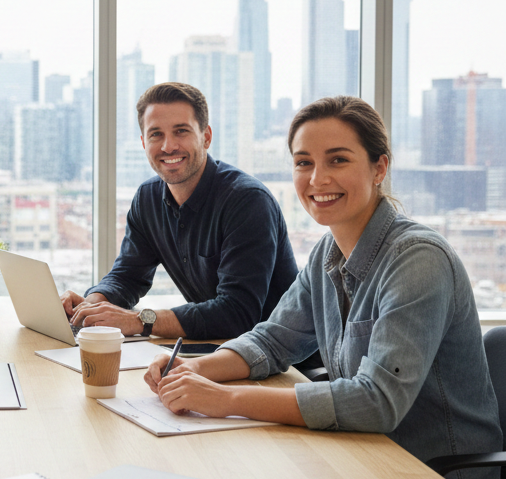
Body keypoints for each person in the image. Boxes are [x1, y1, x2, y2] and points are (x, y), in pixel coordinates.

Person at [147, 95, 502, 470]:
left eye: (338, 160)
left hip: (431, 467)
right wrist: (193, 369)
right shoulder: (328, 253)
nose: (317, 179)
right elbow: (272, 341)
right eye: (304, 163)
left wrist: (226, 400)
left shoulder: (418, 260)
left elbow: (377, 402)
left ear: (379, 168)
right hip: (359, 453)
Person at [61, 82, 298, 340]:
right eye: (156, 134)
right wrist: (90, 306)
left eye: (181, 131)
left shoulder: (248, 201)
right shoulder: (147, 198)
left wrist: (140, 321)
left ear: (206, 137)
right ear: (143, 143)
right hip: (219, 347)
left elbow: (237, 313)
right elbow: (127, 276)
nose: (168, 146)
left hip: (283, 357)